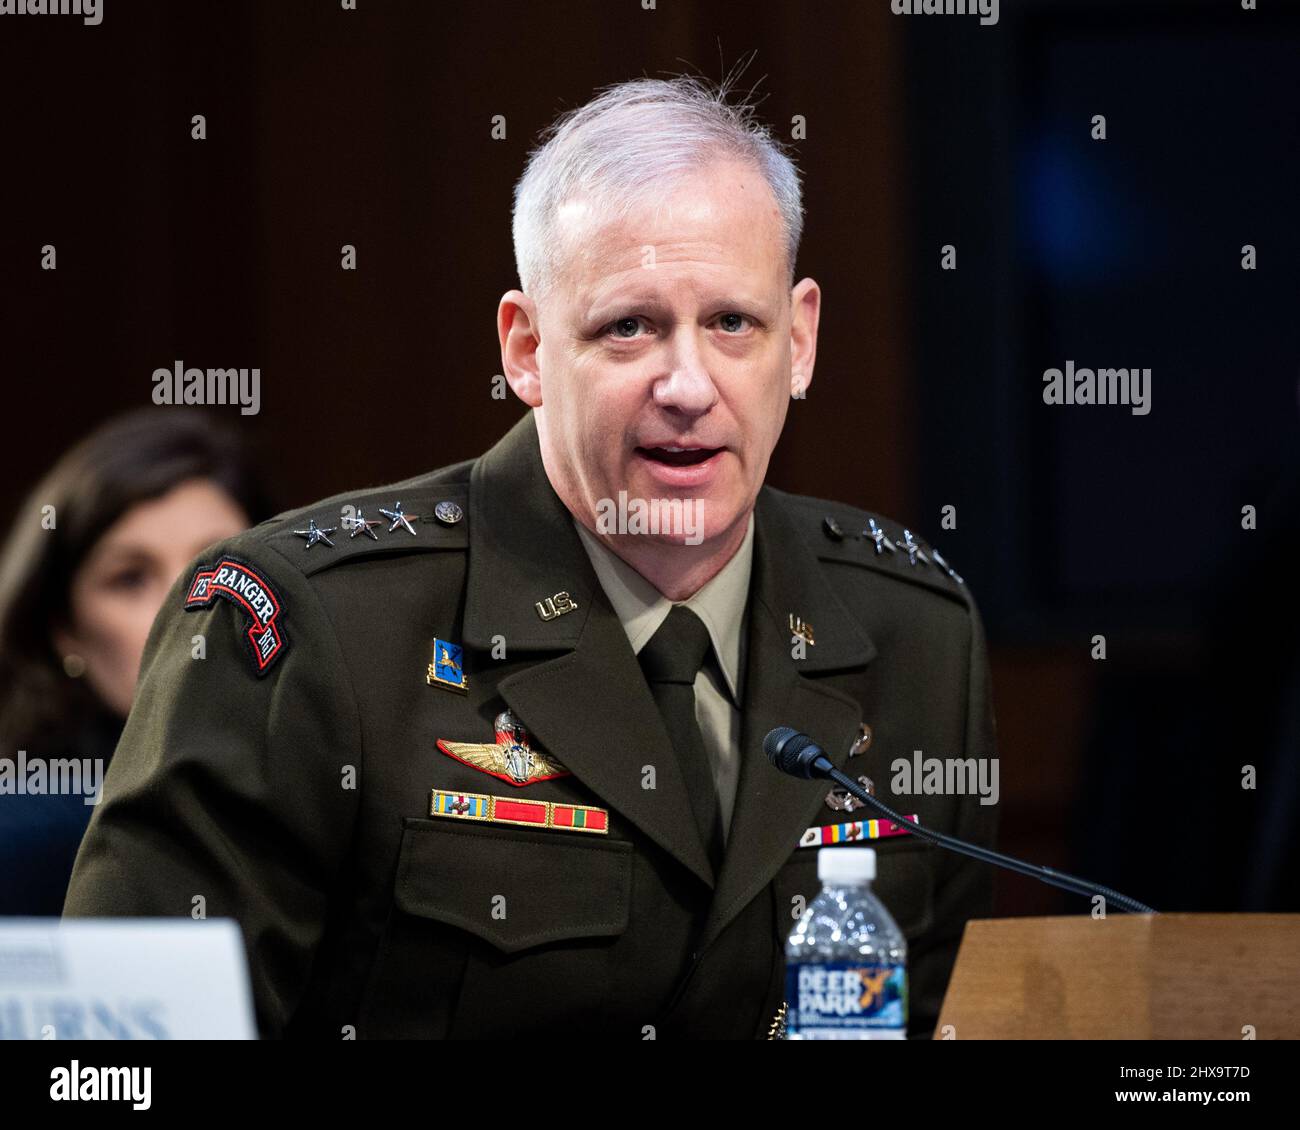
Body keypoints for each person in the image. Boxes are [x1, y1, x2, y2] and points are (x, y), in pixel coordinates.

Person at [64, 75, 999, 1039]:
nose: (687, 384)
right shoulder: (310, 624)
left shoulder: (916, 634)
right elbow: (114, 1062)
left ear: (798, 341)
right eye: (628, 327)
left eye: (732, 323)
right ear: (525, 349)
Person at [0, 409, 266, 915]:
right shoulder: (23, 836)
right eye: (130, 578)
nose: (187, 607)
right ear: (64, 630)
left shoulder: (342, 807)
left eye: (221, 569)